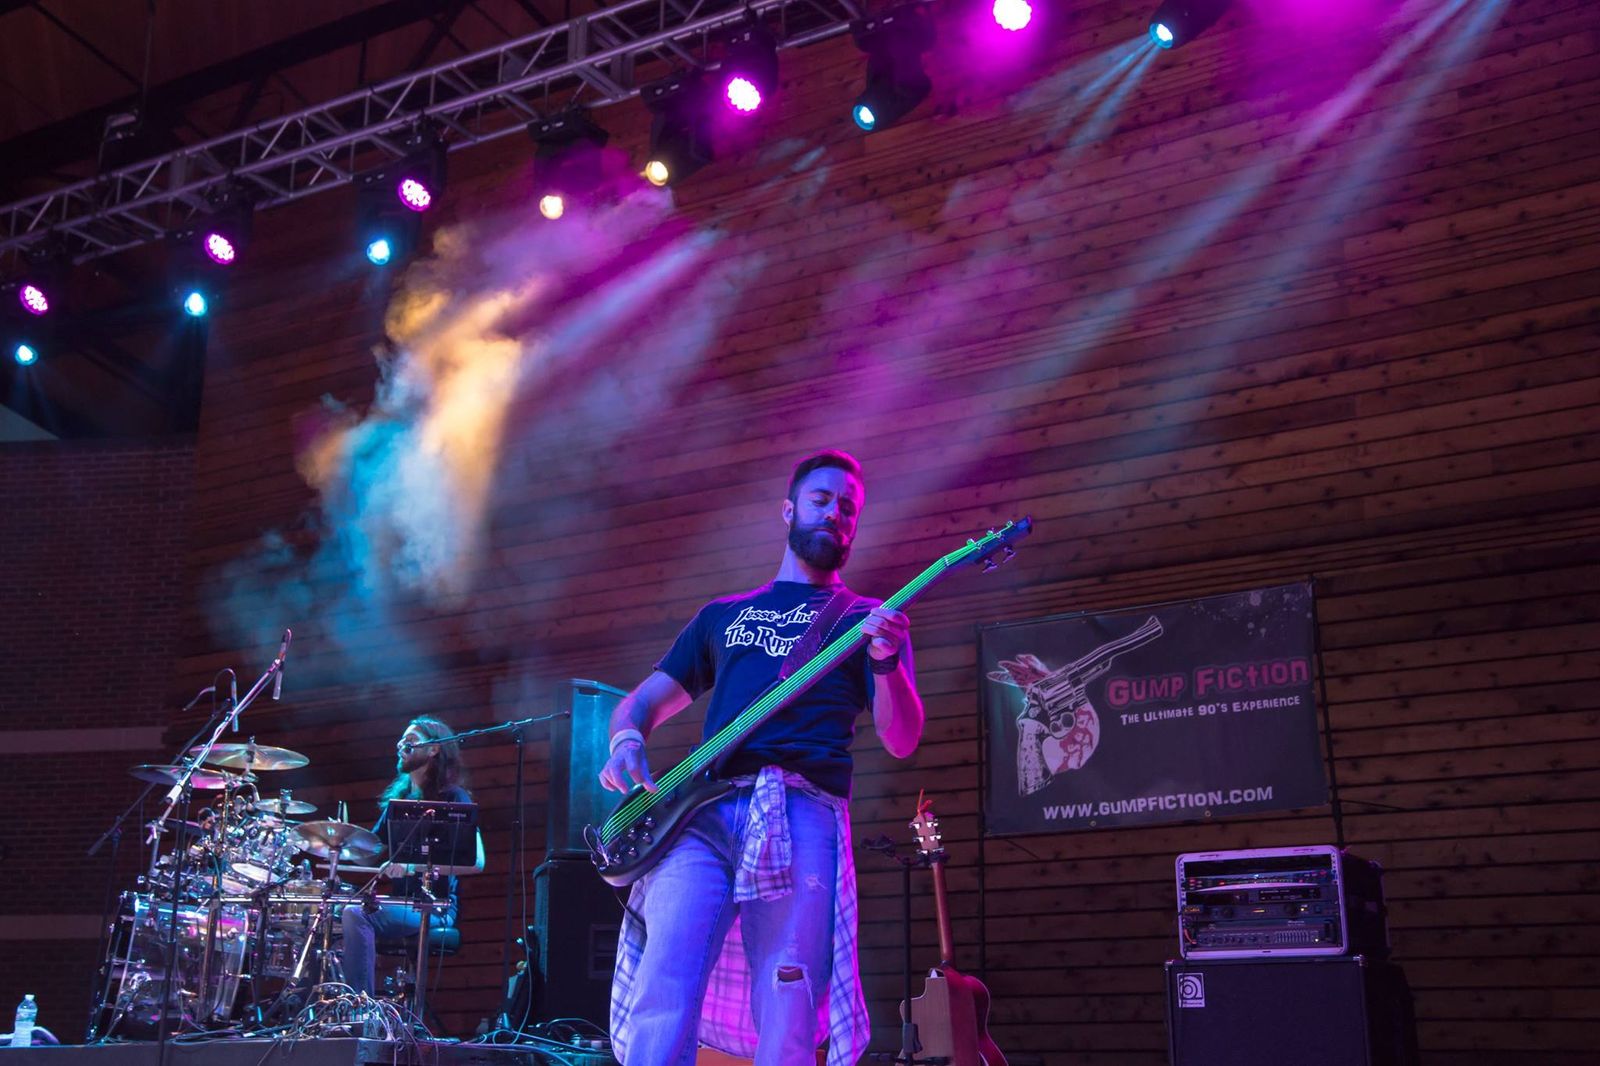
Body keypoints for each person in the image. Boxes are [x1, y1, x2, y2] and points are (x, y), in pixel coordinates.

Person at [599, 449, 924, 1066]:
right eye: (821, 500)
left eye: (848, 508)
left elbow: (902, 738)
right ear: (789, 510)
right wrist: (627, 741)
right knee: (663, 979)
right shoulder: (722, 615)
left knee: (789, 991)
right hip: (703, 812)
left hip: (802, 808)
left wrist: (886, 663)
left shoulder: (868, 622)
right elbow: (638, 705)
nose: (834, 513)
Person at [340, 715, 485, 996]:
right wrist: (337, 841)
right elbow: (368, 853)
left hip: (436, 907)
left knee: (356, 914)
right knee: (330, 915)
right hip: (401, 904)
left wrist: (411, 867)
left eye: (411, 740)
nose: (401, 745)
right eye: (401, 740)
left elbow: (477, 862)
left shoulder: (454, 798)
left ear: (434, 749)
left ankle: (359, 1006)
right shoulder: (399, 804)